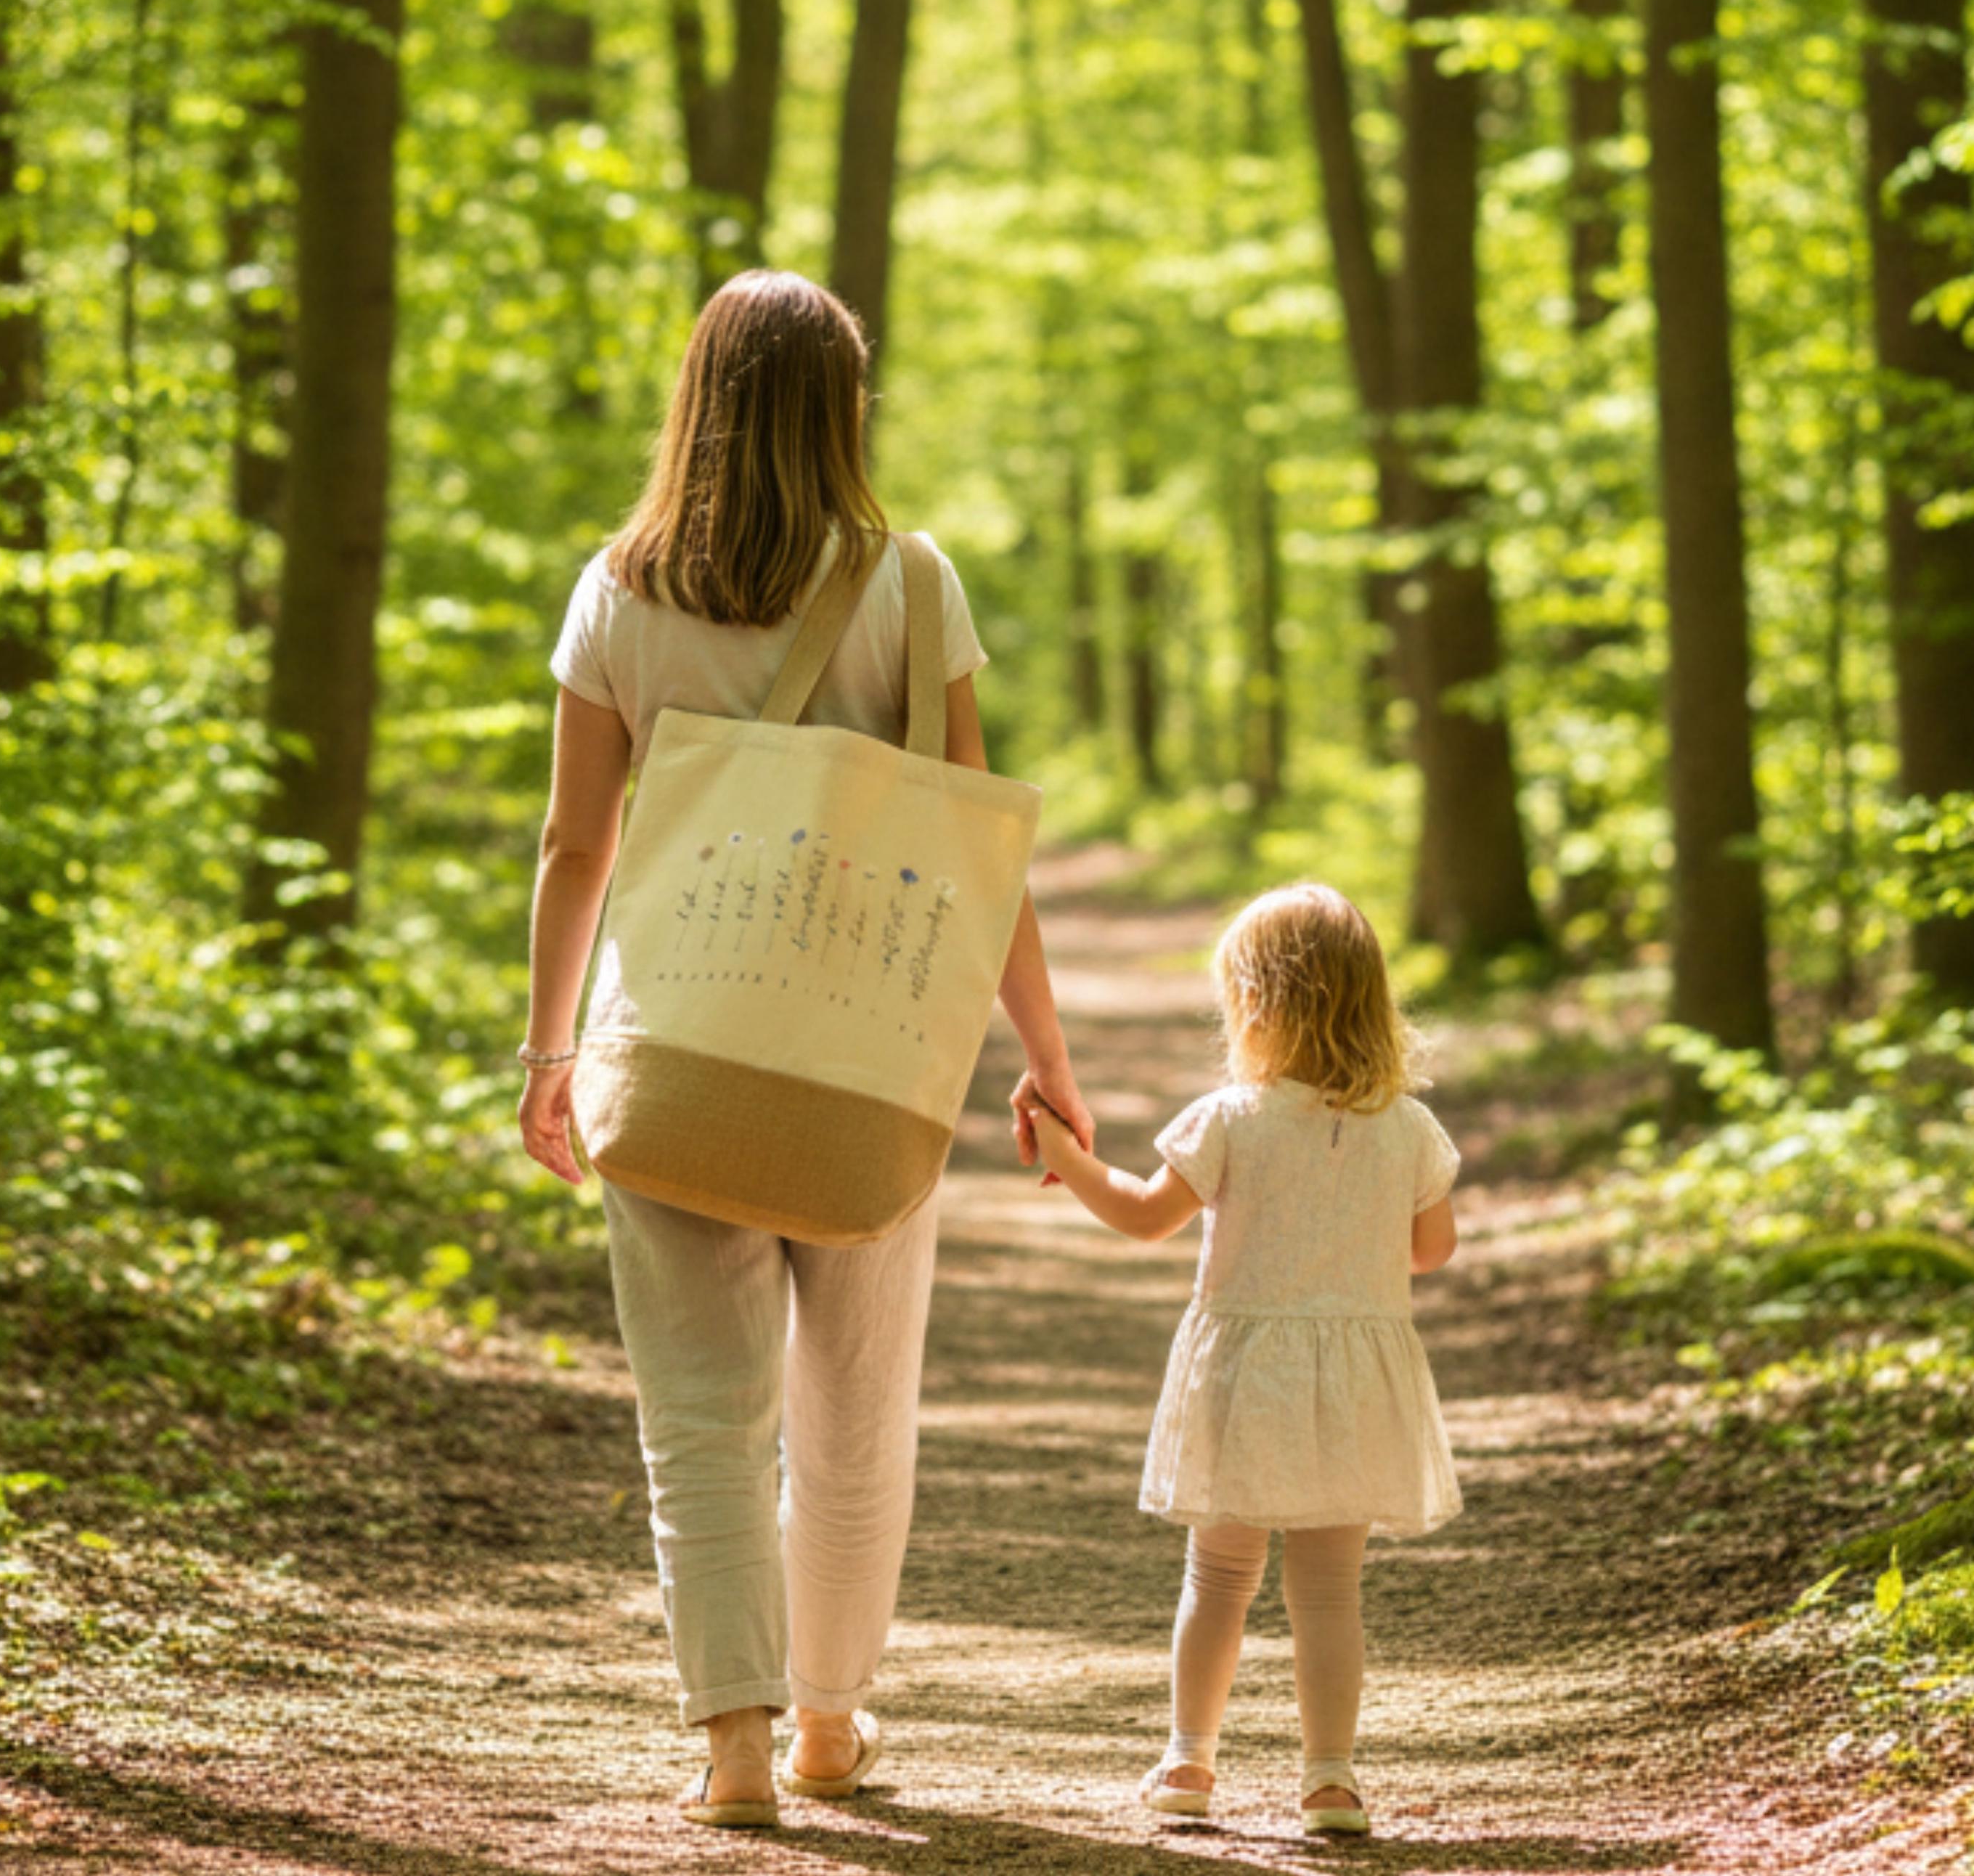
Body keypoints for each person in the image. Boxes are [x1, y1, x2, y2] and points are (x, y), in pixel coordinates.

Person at [514, 269, 1094, 1827]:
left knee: (699, 1415)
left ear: (697, 398)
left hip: (675, 1047)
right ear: (843, 409)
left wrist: (548, 1051)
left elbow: (577, 847)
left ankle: (734, 1754)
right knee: (854, 1411)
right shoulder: (911, 582)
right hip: (869, 1060)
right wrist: (1044, 1054)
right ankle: (832, 1723)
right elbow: (978, 855)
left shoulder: (617, 591)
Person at [1029, 881, 1461, 1838]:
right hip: (1353, 1386)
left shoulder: (1232, 1117)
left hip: (1245, 1380)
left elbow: (1144, 1216)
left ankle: (1189, 1762)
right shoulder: (1409, 1128)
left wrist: (1068, 1156)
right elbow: (1431, 1250)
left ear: (1259, 1006)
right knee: (1329, 1594)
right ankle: (1331, 1781)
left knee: (1219, 1580)